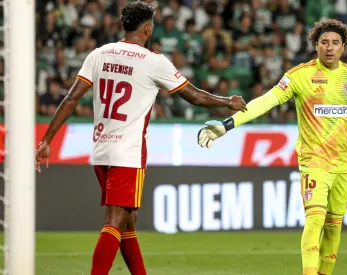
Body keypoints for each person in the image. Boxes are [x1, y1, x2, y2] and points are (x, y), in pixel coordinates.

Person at [34, 2, 246, 275]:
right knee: (114, 221)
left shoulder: (99, 54)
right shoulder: (153, 61)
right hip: (128, 152)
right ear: (147, 28)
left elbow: (71, 98)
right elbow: (194, 96)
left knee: (127, 221)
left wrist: (47, 139)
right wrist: (228, 101)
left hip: (100, 150)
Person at [196, 19, 347, 275]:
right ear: (315, 45)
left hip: (344, 165)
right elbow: (266, 102)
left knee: (333, 227)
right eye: (324, 43)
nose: (330, 48)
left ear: (344, 47)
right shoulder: (299, 76)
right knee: (315, 218)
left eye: (335, 43)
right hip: (314, 162)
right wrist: (229, 124)